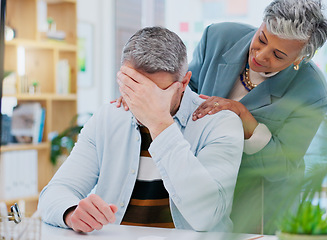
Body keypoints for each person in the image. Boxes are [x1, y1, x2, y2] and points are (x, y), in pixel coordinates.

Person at [116, 0, 327, 234]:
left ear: (300, 58)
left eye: (278, 55)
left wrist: (244, 117)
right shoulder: (218, 37)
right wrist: (144, 95)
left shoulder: (313, 93)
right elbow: (183, 93)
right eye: (261, 39)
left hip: (256, 202)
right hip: (199, 187)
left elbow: (284, 167)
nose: (260, 55)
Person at [38, 26, 244, 233]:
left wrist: (160, 124)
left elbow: (206, 217)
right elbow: (55, 192)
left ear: (184, 82)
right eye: (133, 87)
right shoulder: (109, 117)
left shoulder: (220, 123)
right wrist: (72, 212)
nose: (141, 101)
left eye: (156, 93)